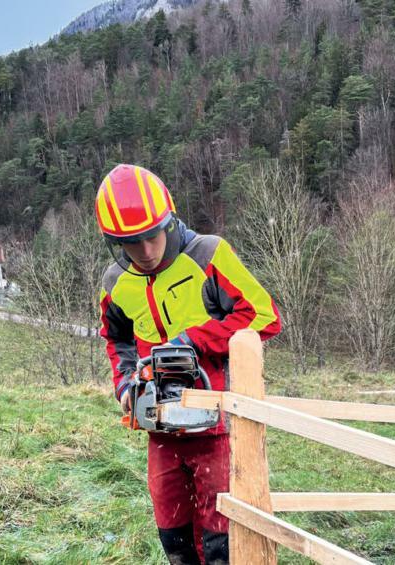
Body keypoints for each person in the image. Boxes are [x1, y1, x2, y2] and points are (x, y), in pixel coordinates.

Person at [96, 164, 281, 564]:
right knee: (174, 538)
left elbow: (264, 315)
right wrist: (126, 384)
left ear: (169, 221)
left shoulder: (208, 254)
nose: (145, 252)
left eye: (151, 236)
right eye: (132, 243)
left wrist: (196, 341)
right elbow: (117, 338)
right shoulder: (115, 282)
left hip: (215, 423)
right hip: (159, 426)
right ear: (115, 241)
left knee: (220, 541)